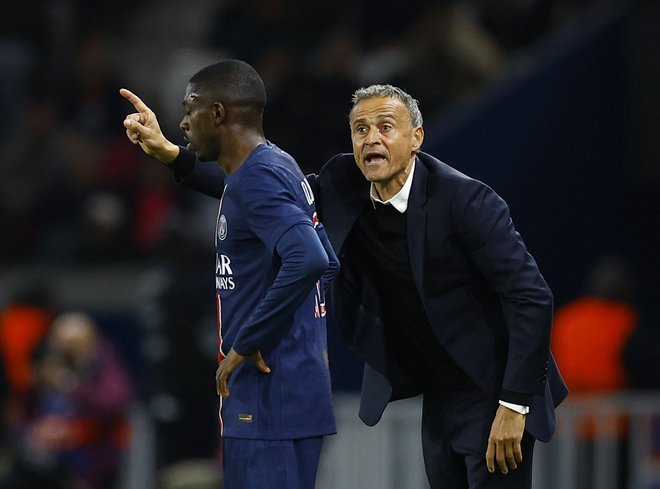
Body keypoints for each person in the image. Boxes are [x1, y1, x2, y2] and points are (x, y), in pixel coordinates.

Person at [122, 78, 567, 488]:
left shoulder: (467, 200)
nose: (371, 138)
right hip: (440, 388)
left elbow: (531, 296)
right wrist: (170, 154)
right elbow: (260, 193)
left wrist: (514, 404)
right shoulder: (343, 183)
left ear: (417, 138)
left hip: (494, 384)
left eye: (385, 126)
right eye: (360, 129)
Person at [120, 59, 338, 489]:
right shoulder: (274, 166)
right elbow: (328, 260)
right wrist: (167, 153)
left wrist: (251, 338)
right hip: (287, 392)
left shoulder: (257, 178)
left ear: (217, 113)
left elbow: (310, 259)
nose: (182, 122)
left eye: (189, 109)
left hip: (266, 395)